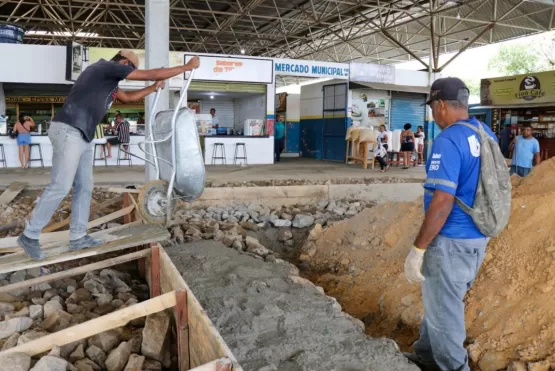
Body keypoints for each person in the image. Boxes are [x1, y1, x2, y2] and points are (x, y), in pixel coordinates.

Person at [17, 50, 201, 261]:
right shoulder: (104, 67)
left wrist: (151, 89)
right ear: (124, 63)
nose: (131, 73)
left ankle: (78, 236)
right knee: (61, 185)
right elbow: (151, 73)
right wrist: (186, 68)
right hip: (69, 129)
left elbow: (126, 98)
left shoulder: (108, 82)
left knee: (84, 186)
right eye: (131, 69)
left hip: (83, 134)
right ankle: (29, 235)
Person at [403, 77, 497, 371]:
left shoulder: (448, 139)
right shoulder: (485, 133)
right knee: (442, 302)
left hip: (451, 240)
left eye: (433, 107)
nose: (433, 114)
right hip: (475, 238)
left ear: (441, 104)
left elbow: (443, 201)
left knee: (445, 310)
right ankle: (426, 355)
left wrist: (418, 248)